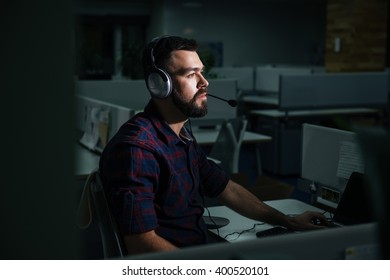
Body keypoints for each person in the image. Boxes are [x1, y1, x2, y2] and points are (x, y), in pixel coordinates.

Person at [99, 35, 328, 255]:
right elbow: (141, 244)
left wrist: (288, 221)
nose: (204, 82)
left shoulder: (181, 135)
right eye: (191, 75)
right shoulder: (137, 149)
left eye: (202, 72)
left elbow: (226, 188)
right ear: (160, 84)